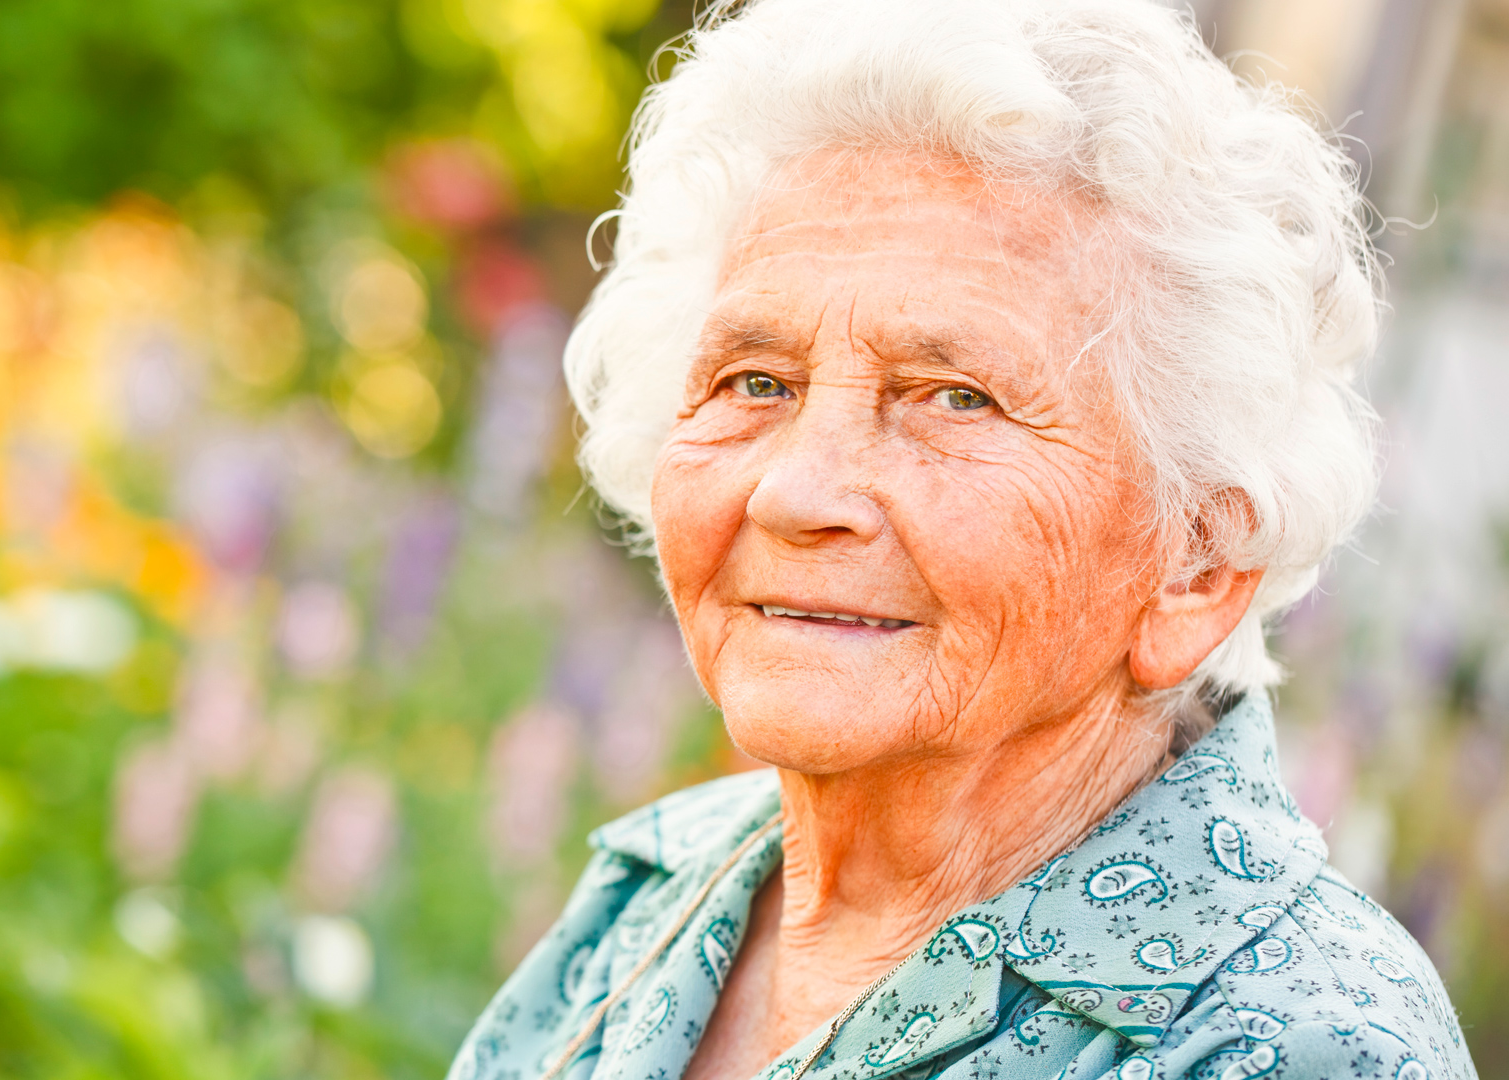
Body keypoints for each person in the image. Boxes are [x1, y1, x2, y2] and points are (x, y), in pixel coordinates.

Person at [447, 1, 1479, 1078]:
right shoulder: (664, 885)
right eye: (757, 382)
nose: (799, 494)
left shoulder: (1299, 1043)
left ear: (1196, 566)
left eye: (955, 399)